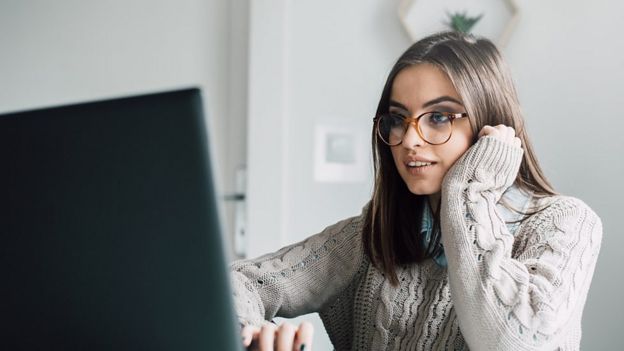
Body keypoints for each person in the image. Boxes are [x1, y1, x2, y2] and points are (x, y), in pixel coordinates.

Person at [230, 31, 602, 351]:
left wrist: (467, 191)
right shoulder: (372, 235)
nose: (408, 140)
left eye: (439, 117)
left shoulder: (566, 223)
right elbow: (236, 282)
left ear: (491, 125)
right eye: (397, 119)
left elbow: (514, 340)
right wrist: (253, 334)